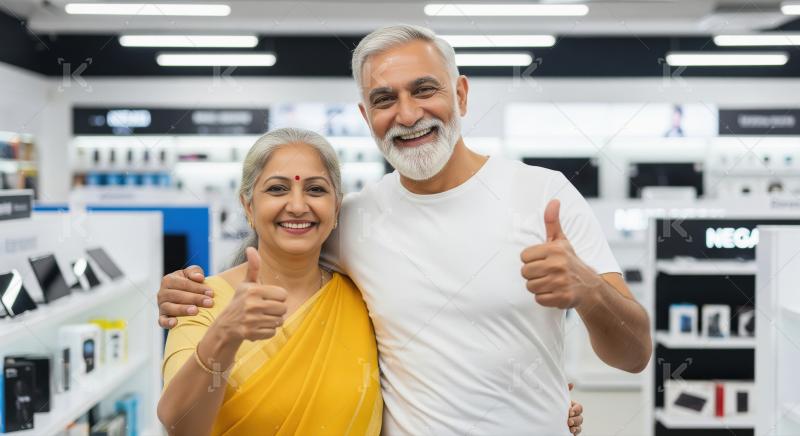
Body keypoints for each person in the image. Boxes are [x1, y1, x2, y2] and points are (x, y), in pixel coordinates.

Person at [158, 24, 649, 434]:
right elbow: (283, 252)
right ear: (366, 115)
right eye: (384, 98)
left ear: (460, 93)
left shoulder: (544, 195)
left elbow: (634, 355)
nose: (408, 114)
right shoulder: (352, 219)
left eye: (424, 89)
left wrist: (587, 290)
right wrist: (183, 292)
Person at [157, 129, 382, 435]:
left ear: (336, 207)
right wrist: (224, 335)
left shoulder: (364, 299)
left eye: (316, 190)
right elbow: (179, 426)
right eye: (277, 189)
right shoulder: (202, 301)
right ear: (248, 207)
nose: (298, 205)